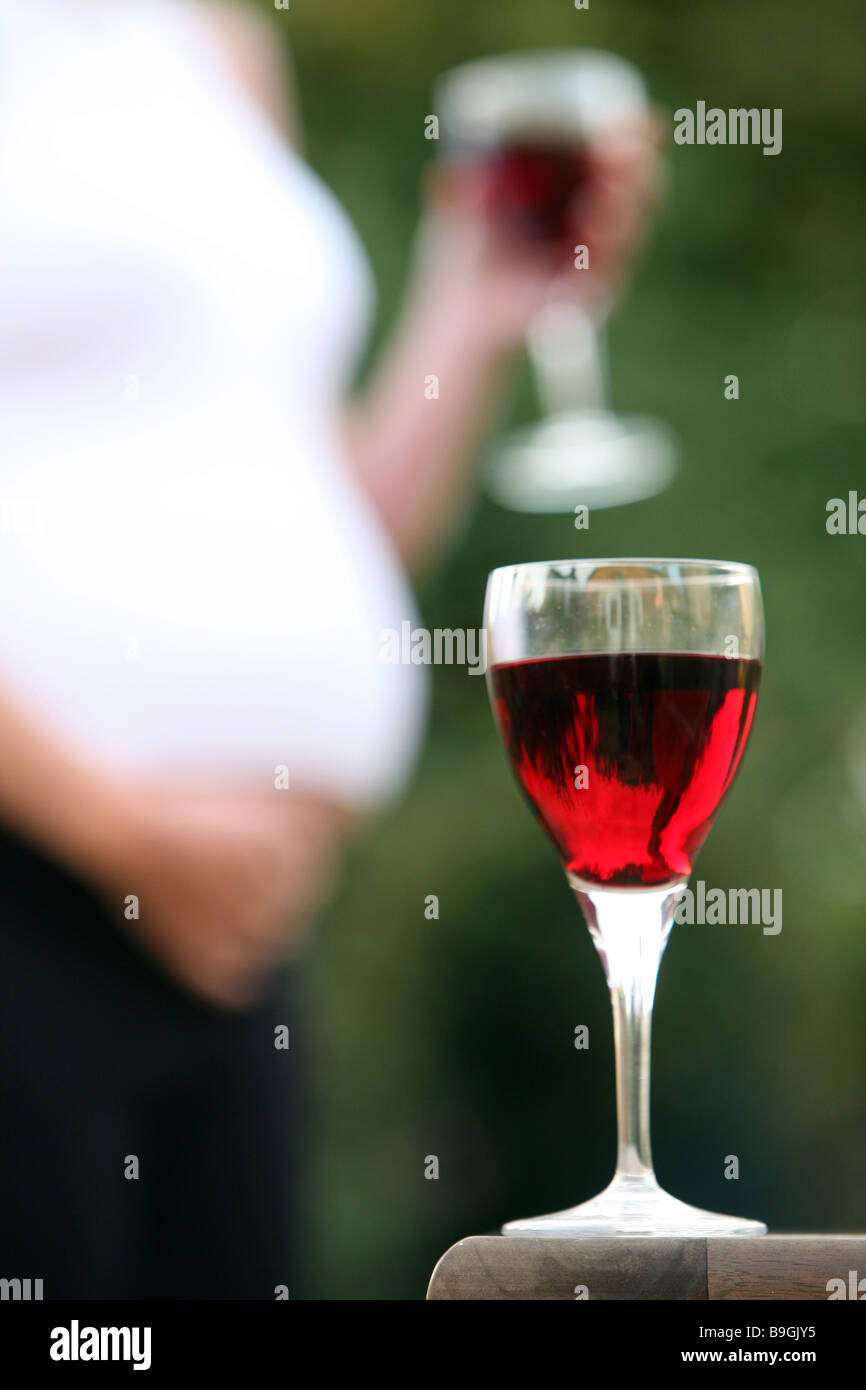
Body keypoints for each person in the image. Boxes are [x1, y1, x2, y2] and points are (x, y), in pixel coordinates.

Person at [0, 0, 663, 1297]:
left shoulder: (215, 41)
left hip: (242, 938)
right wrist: (121, 829)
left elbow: (314, 524)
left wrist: (473, 314)